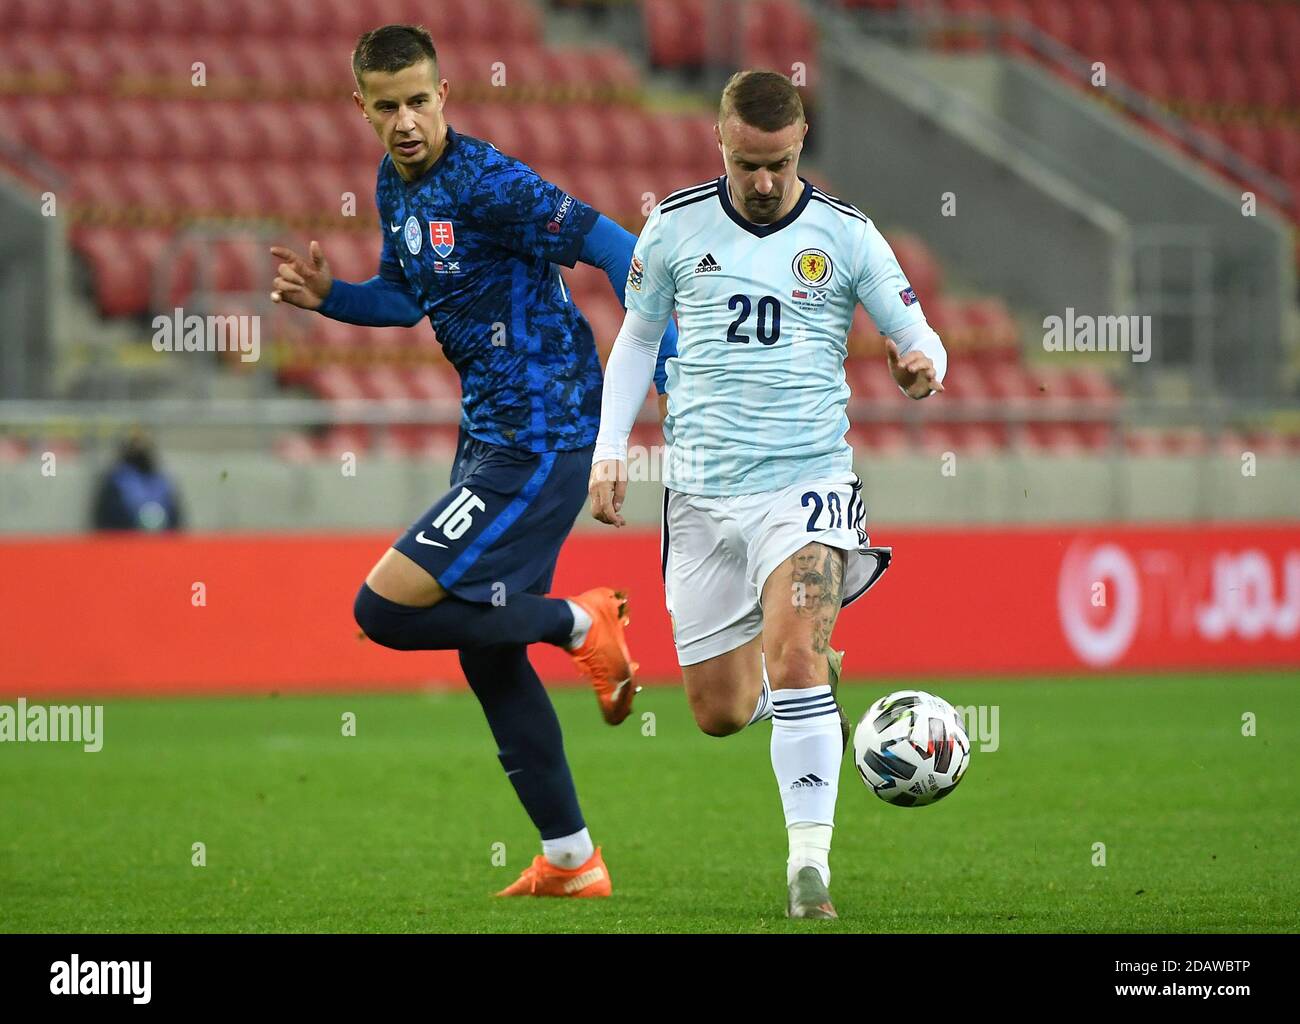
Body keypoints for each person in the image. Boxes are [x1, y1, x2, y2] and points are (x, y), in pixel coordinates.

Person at [268, 24, 677, 899]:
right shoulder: (393, 181)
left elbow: (613, 246)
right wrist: (330, 297)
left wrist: (667, 361)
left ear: (444, 94)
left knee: (382, 607)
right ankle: (573, 860)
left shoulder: (490, 181)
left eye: (419, 100)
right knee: (485, 650)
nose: (405, 120)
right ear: (362, 109)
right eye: (387, 107)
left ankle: (579, 622)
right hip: (489, 437)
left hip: (542, 433)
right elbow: (404, 297)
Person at [588, 70, 947, 918]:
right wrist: (610, 452)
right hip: (702, 495)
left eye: (778, 164)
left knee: (792, 657)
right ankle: (808, 701)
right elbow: (636, 343)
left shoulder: (847, 236)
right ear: (721, 141)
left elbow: (918, 331)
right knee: (717, 712)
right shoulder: (672, 228)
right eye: (748, 162)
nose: (762, 181)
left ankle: (808, 868)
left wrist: (921, 365)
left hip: (808, 482)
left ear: (799, 149)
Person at [91, 431, 184, 532]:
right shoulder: (116, 480)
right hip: (125, 539)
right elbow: (106, 517)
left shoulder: (162, 480)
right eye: (134, 446)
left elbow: (175, 516)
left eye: (143, 445)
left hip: (161, 540)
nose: (139, 449)